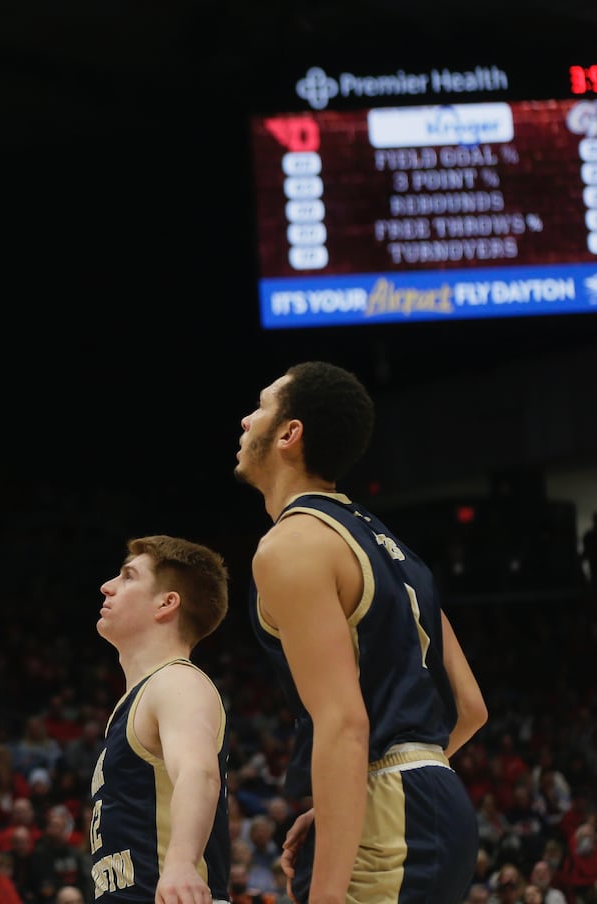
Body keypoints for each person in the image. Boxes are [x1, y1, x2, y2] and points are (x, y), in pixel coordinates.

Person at [234, 360, 489, 904]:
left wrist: (328, 886)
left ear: (289, 433)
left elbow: (346, 722)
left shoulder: (293, 544)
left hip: (390, 819)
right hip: (438, 798)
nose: (245, 419)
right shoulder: (390, 547)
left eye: (260, 407)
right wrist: (340, 803)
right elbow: (470, 707)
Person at [90, 534, 232, 904]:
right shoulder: (137, 701)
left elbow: (198, 772)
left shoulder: (177, 682)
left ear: (166, 603)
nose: (107, 587)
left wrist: (182, 864)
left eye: (128, 576)